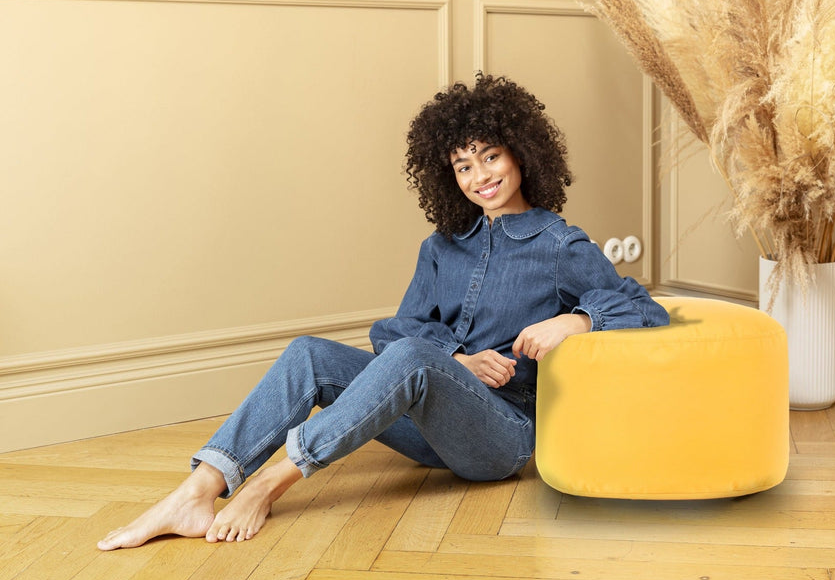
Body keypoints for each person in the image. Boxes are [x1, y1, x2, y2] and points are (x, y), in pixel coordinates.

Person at [98, 75, 669, 550]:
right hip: (427, 430)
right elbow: (394, 333)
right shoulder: (442, 248)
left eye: (490, 156)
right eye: (463, 166)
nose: (480, 177)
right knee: (309, 354)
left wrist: (573, 321)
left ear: (521, 152)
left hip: (502, 437)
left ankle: (270, 483)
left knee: (416, 356)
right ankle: (198, 491)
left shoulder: (560, 244)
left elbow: (644, 308)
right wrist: (458, 361)